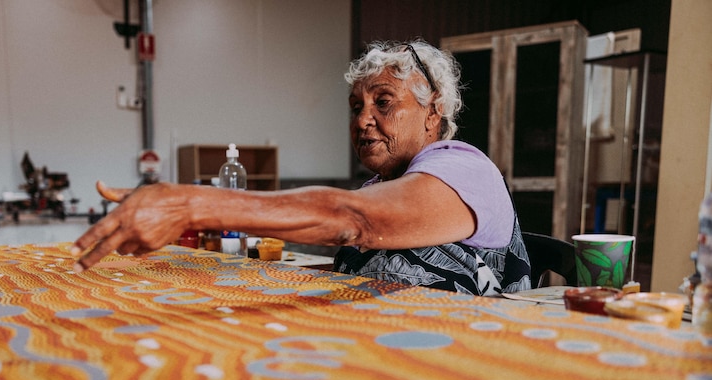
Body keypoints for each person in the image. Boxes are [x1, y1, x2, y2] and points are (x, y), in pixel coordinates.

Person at [71, 39, 532, 296]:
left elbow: (352, 219)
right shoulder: (383, 183)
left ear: (434, 113)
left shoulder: (464, 169)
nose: (362, 119)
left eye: (383, 102)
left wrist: (189, 205)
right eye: (356, 106)